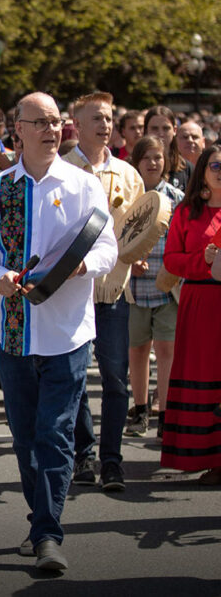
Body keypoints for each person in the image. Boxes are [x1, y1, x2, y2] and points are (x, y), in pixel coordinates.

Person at [0, 92, 117, 571]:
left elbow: (107, 248)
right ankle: (40, 522)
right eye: (43, 122)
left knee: (54, 434)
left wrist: (81, 268)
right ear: (20, 129)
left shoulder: (82, 184)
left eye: (58, 122)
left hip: (68, 333)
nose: (54, 130)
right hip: (14, 333)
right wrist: (0, 279)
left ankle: (49, 533)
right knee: (26, 437)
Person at [63, 91, 143, 492]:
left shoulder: (129, 175)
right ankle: (84, 456)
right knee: (75, 380)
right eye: (96, 117)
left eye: (109, 117)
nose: (106, 124)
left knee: (115, 380)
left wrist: (138, 254)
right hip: (72, 296)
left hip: (114, 294)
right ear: (77, 125)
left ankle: (112, 460)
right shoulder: (60, 171)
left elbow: (137, 231)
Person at [160, 143, 221, 485]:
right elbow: (172, 261)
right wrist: (204, 261)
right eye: (215, 165)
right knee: (203, 377)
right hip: (200, 302)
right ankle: (208, 458)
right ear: (203, 171)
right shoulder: (187, 212)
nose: (220, 171)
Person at [124, 136, 182, 438]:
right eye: (146, 157)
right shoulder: (129, 196)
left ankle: (166, 413)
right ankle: (141, 408)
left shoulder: (177, 198)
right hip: (134, 288)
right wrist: (128, 262)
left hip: (167, 285)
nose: (152, 163)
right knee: (137, 349)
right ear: (136, 162)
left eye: (158, 157)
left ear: (167, 162)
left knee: (166, 349)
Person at [145, 106, 186, 190]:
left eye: (166, 128)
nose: (161, 134)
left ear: (174, 130)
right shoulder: (133, 166)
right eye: (154, 128)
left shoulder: (187, 168)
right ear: (146, 131)